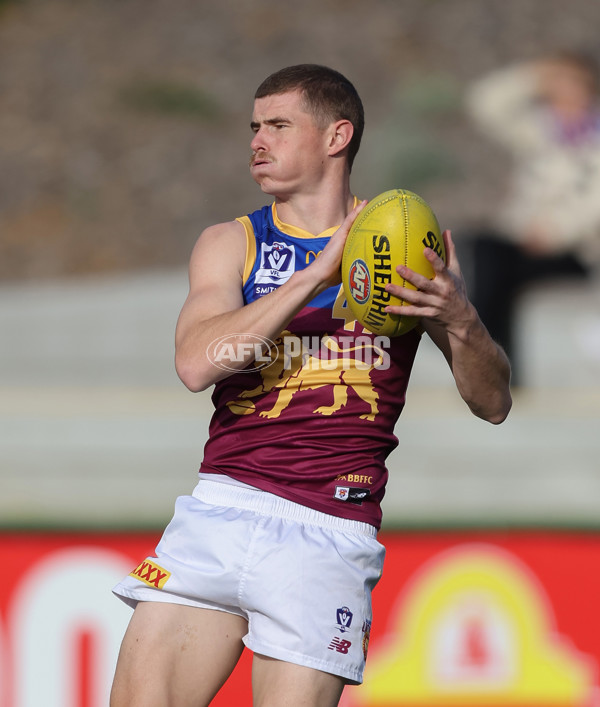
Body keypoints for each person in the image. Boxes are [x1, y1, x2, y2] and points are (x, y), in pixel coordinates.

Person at [110, 64, 512, 707]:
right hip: (221, 508)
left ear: (337, 136)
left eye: (277, 125)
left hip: (328, 529)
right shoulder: (231, 243)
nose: (257, 142)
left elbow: (493, 404)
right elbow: (195, 364)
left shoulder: (406, 246)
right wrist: (315, 275)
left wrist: (460, 317)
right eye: (253, 127)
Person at [464, 51, 600, 384]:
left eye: (571, 82)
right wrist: (532, 76)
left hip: (579, 250)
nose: (563, 91)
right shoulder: (540, 130)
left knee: (498, 272)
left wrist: (553, 232)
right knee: (487, 252)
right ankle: (495, 363)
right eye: (557, 82)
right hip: (525, 240)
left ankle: (488, 360)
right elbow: (484, 103)